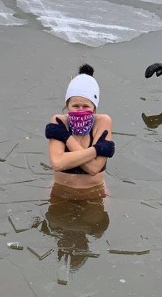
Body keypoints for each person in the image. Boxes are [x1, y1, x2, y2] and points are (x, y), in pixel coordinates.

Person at [44, 64, 115, 200]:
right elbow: (57, 163)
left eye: (86, 106)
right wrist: (96, 150)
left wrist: (66, 138)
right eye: (75, 106)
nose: (80, 110)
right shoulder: (59, 121)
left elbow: (94, 168)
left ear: (94, 108)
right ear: (67, 106)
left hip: (95, 194)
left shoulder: (103, 121)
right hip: (60, 192)